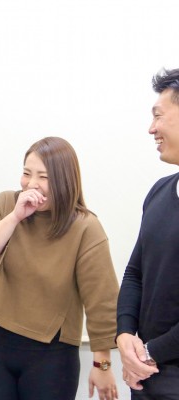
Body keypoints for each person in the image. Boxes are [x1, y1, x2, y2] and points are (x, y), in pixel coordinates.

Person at [0, 137, 120, 400]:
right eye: (26, 173)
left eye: (43, 176)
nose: (31, 183)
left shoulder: (85, 226)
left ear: (65, 180)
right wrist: (15, 217)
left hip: (53, 354)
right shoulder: (6, 204)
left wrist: (102, 364)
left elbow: (101, 300)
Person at [116, 68, 179, 399]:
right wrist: (125, 334)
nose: (151, 128)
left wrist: (148, 353)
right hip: (144, 376)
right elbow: (135, 273)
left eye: (158, 116)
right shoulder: (159, 192)